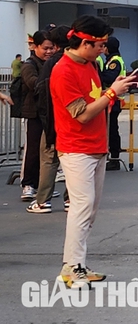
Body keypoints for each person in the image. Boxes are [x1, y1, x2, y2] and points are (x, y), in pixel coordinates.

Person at [51, 16, 135, 289]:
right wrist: (111, 93)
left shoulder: (89, 64)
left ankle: (74, 265)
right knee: (82, 207)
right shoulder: (63, 71)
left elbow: (94, 100)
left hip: (96, 146)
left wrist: (111, 91)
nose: (103, 50)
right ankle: (73, 267)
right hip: (76, 148)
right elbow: (82, 114)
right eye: (100, 45)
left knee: (89, 210)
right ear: (85, 43)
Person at [28, 26, 71, 214]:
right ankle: (70, 199)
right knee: (72, 161)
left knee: (48, 158)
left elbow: (41, 90)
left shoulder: (52, 63)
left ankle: (43, 200)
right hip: (75, 119)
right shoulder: (84, 62)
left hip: (54, 118)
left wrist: (45, 117)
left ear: (55, 44)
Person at [20, 30, 55, 201]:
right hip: (34, 113)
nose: (49, 52)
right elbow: (33, 84)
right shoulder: (29, 65)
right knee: (33, 150)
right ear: (36, 47)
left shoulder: (52, 63)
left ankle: (43, 186)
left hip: (49, 112)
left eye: (51, 48)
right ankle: (28, 184)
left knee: (47, 151)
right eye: (45, 48)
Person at [100, 37, 126, 170]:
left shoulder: (114, 61)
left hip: (113, 100)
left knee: (112, 130)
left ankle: (115, 158)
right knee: (109, 129)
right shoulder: (111, 60)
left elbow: (109, 77)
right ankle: (112, 156)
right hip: (110, 98)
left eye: (104, 46)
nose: (102, 49)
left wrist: (98, 74)